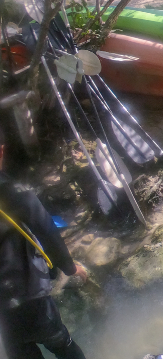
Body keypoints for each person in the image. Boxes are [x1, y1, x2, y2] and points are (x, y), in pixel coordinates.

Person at [0, 126, 89, 359]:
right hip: (31, 299)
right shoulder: (16, 193)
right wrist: (71, 268)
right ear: (1, 152)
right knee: (63, 345)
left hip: (3, 315)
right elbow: (48, 233)